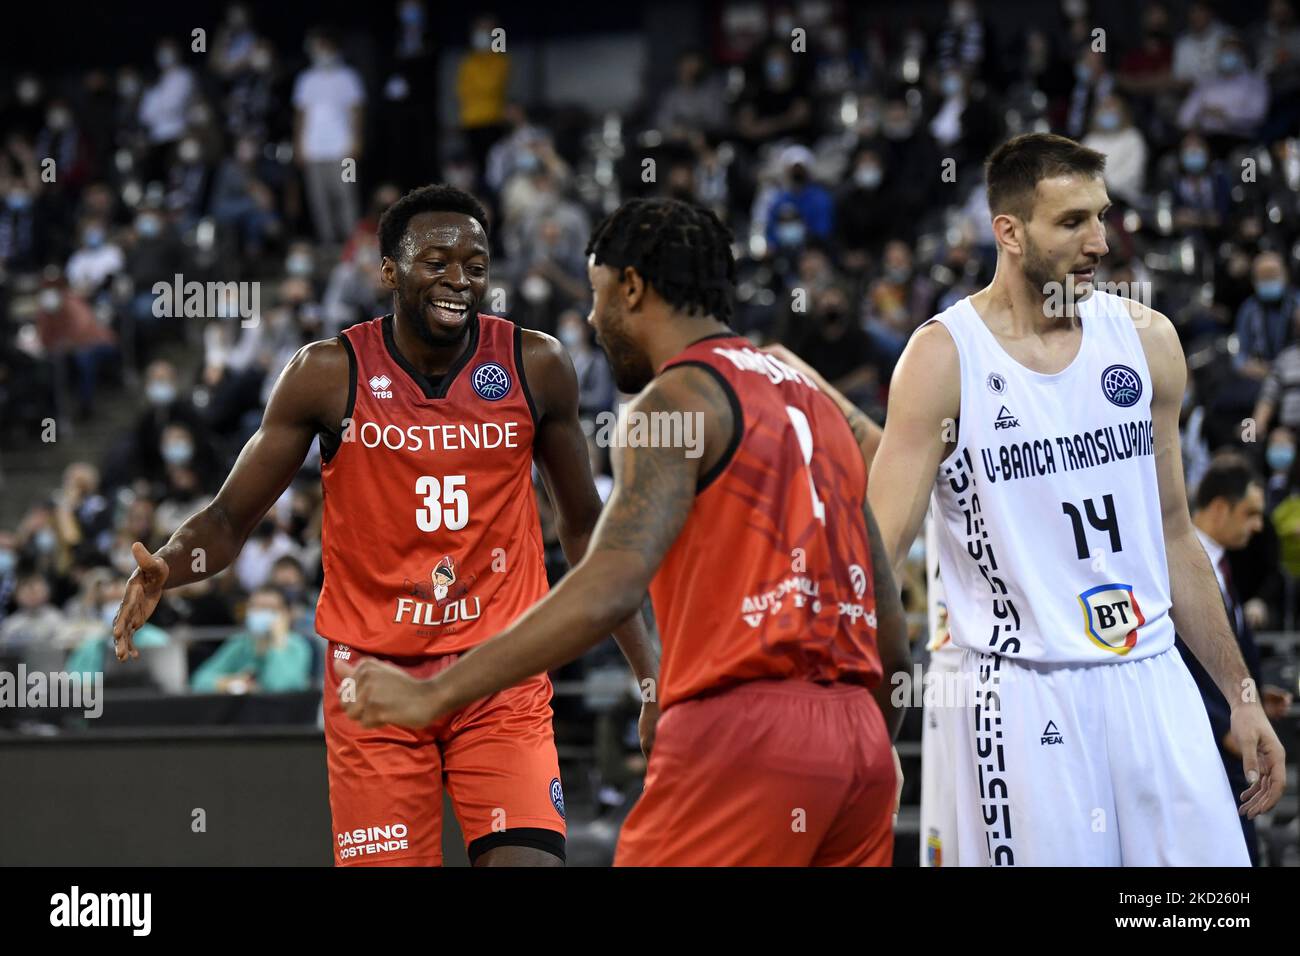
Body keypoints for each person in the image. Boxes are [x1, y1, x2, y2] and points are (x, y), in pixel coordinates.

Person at [336, 198, 910, 866]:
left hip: (743, 736)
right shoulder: (817, 403)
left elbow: (607, 585)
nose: (590, 319)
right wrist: (872, 751)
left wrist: (436, 692)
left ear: (631, 288)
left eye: (596, 294)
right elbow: (892, 641)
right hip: (861, 748)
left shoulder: (674, 401)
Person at [111, 184, 658, 867]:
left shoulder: (536, 365)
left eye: (477, 265)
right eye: (437, 261)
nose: (460, 279)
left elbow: (585, 531)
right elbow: (227, 518)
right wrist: (172, 563)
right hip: (372, 682)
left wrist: (649, 673)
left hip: (500, 673)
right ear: (390, 272)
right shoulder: (324, 373)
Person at [866, 132, 1286, 865]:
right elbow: (873, 556)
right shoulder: (943, 360)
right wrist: (861, 712)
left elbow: (1175, 533)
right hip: (1024, 691)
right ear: (1010, 232)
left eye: (1101, 216)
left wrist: (1240, 693)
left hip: (1151, 672)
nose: (1099, 241)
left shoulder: (1148, 341)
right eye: (1071, 223)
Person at [1176, 453, 1295, 865]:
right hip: (1202, 747)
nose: (1258, 525)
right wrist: (1223, 723)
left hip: (1232, 742)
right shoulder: (1182, 569)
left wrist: (1254, 697)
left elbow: (1220, 653)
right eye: (1250, 514)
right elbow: (1178, 665)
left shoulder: (1223, 566)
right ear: (1221, 506)